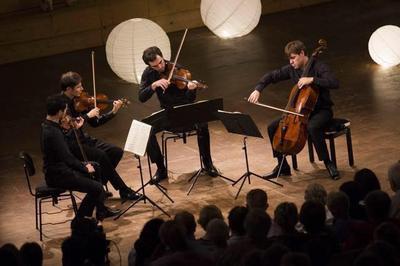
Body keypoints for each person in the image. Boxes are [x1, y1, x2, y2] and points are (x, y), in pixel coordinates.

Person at [248, 40, 340, 180]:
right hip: (299, 112)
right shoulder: (293, 70)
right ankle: (283, 166)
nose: (291, 62)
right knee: (272, 127)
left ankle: (328, 163)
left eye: (293, 58)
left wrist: (313, 79)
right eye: (289, 59)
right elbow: (272, 76)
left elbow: (334, 82)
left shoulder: (319, 67)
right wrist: (258, 89)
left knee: (312, 126)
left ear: (302, 53)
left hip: (322, 111)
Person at [139, 46, 218, 183]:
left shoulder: (178, 69)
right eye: (156, 66)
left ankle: (208, 163)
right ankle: (161, 169)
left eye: (161, 62)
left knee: (203, 124)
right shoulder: (148, 74)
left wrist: (192, 90)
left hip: (184, 109)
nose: (160, 67)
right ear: (150, 66)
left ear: (163, 57)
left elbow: (189, 100)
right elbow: (141, 97)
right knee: (146, 129)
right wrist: (153, 85)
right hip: (168, 112)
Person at [59, 71, 140, 200]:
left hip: (83, 139)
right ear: (69, 89)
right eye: (79, 87)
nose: (82, 89)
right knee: (101, 156)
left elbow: (95, 123)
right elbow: (69, 125)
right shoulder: (61, 105)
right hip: (72, 145)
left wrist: (113, 112)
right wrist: (86, 116)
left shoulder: (80, 101)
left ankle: (97, 186)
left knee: (116, 151)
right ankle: (123, 190)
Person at [41, 94, 119, 220]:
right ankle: (80, 220)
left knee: (97, 167)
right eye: (65, 110)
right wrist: (84, 168)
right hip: (58, 175)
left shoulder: (50, 126)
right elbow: (67, 157)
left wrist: (71, 129)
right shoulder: (53, 132)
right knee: (97, 187)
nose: (67, 113)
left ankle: (101, 211)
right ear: (60, 112)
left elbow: (62, 147)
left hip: (61, 169)